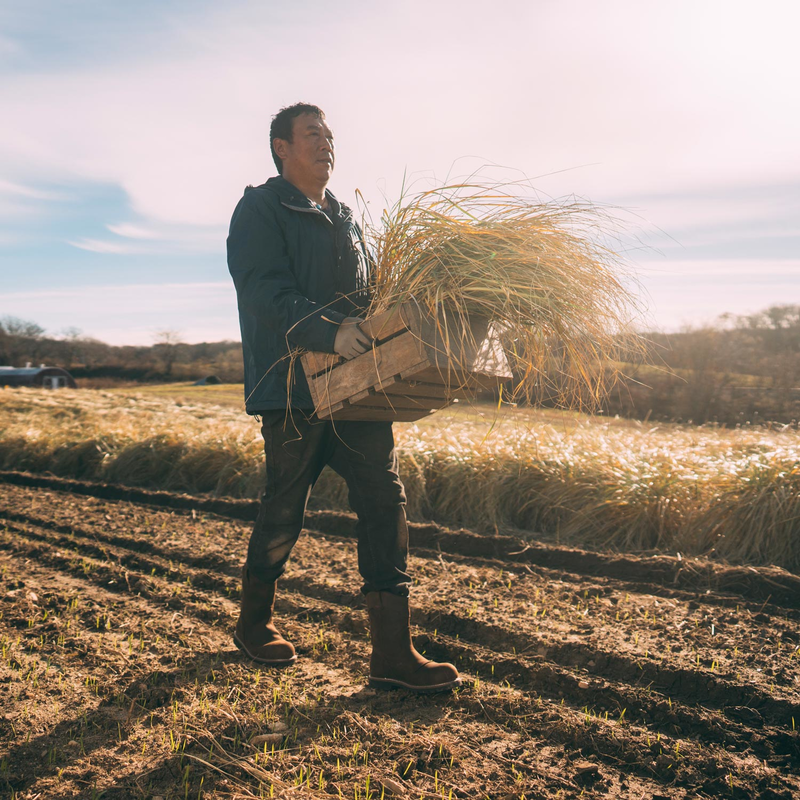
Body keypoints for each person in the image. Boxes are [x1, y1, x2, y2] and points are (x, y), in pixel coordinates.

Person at [226, 102, 460, 693]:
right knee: (285, 507)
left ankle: (391, 653)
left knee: (385, 500)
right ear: (281, 146)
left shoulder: (348, 217)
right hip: (291, 390)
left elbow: (369, 297)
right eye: (312, 134)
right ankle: (254, 623)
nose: (326, 142)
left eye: (330, 134)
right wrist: (326, 332)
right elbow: (262, 291)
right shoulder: (259, 208)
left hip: (358, 388)